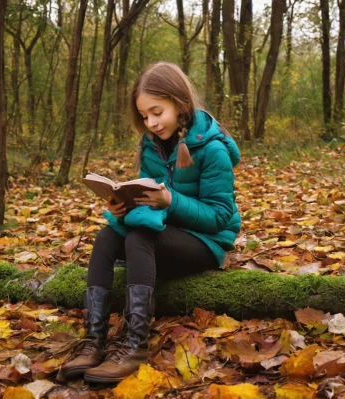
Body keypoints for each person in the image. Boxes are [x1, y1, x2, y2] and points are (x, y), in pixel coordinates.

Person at [60, 61, 241, 384]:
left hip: (207, 242)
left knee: (140, 237)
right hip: (165, 230)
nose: (151, 123)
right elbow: (149, 197)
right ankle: (94, 340)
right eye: (145, 116)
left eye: (157, 112)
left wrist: (169, 202)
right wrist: (124, 207)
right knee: (107, 237)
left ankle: (134, 344)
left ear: (180, 102)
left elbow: (220, 217)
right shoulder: (151, 145)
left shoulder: (213, 150)